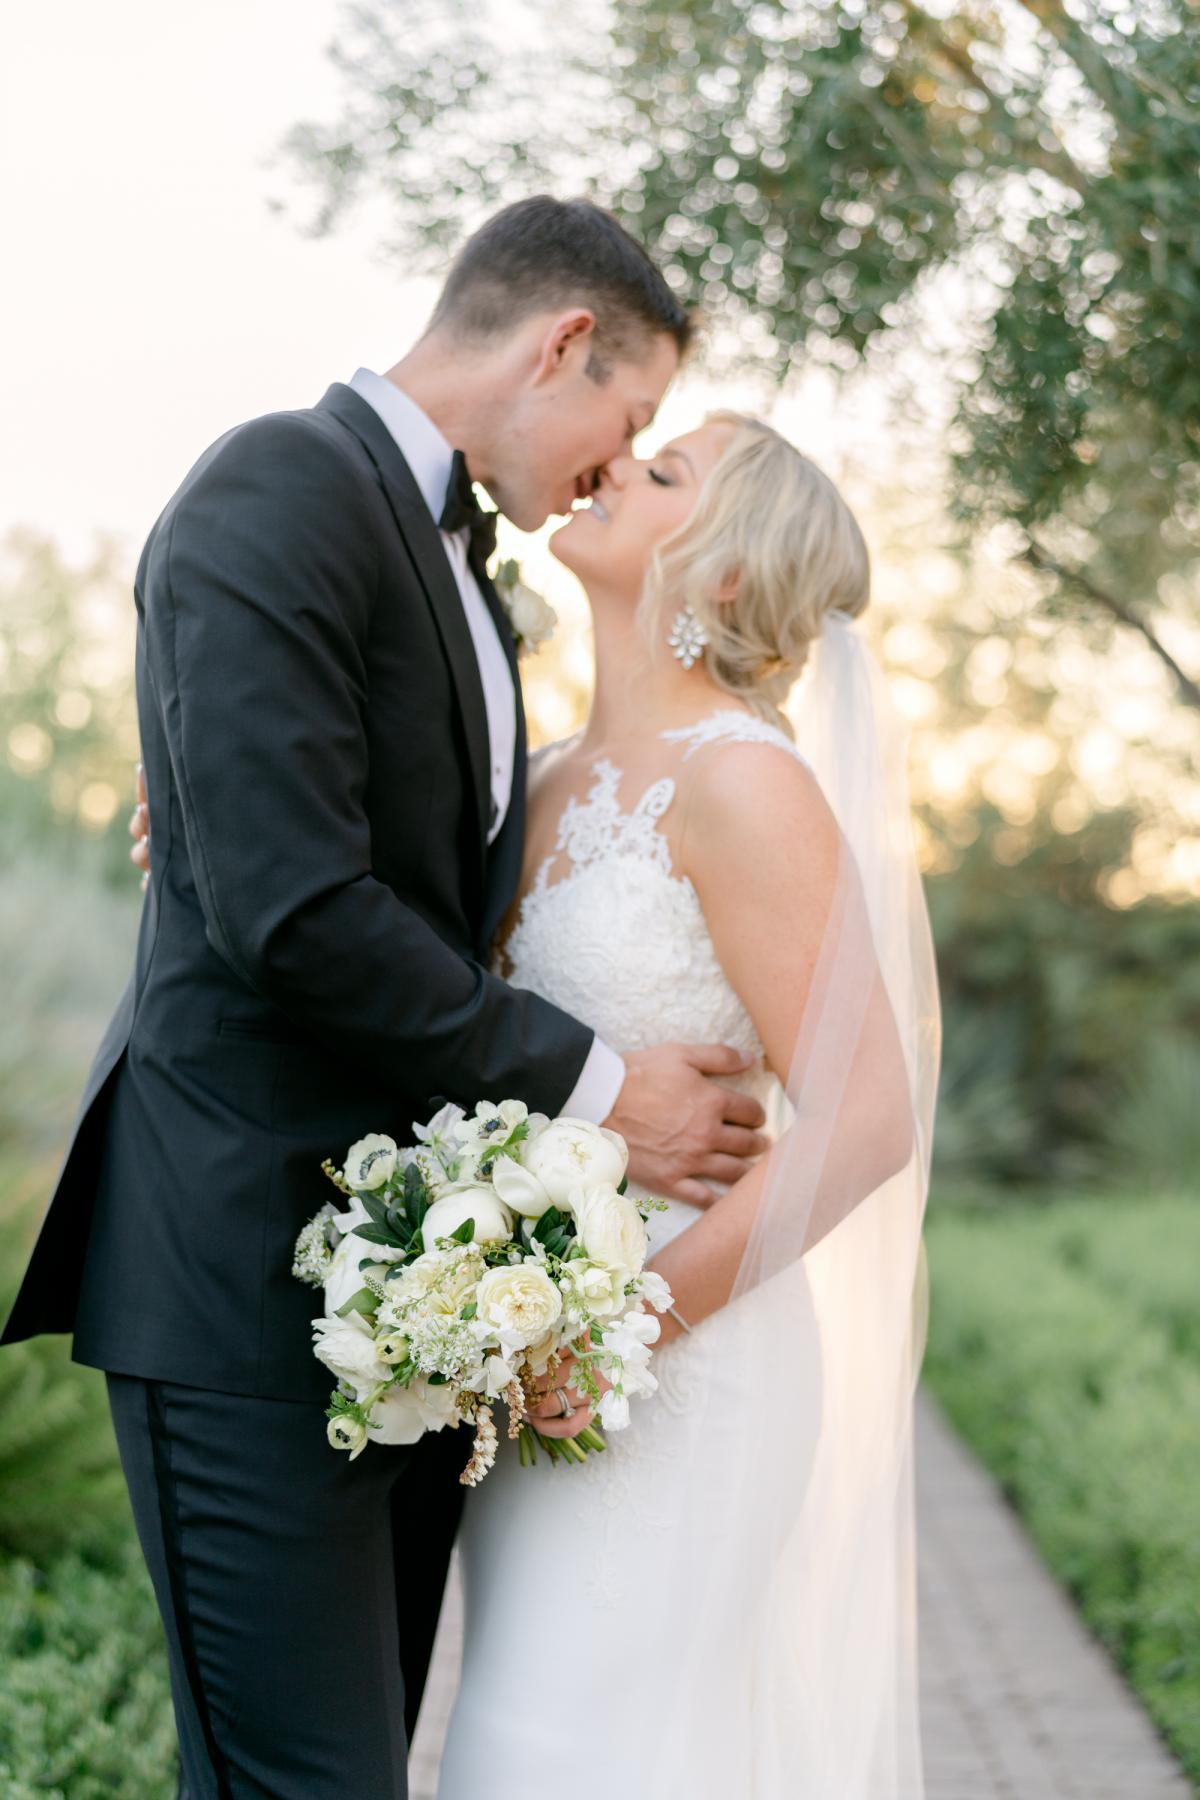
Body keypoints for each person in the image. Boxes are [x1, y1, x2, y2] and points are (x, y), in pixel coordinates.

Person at [0, 198, 775, 1800]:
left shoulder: (474, 580)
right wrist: (601, 1086)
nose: (608, 466)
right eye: (622, 422)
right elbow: (297, 912)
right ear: (563, 344)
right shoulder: (279, 483)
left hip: (398, 1304)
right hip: (236, 1273)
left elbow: (366, 863)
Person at [431, 412, 940, 1797]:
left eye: (660, 475)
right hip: (538, 1365)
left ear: (718, 575)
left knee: (584, 1756)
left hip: (685, 1368)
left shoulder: (745, 784)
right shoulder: (537, 783)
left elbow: (868, 1117)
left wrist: (627, 1324)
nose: (606, 469)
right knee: (518, 1744)